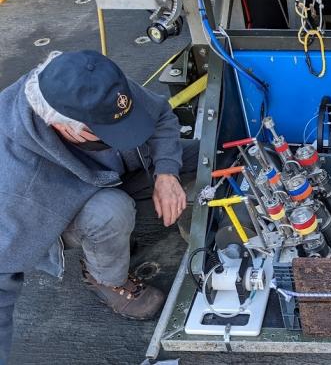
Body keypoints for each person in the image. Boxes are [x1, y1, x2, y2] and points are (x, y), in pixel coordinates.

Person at [0, 51, 198, 364]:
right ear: (65, 128)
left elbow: (160, 116)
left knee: (205, 158)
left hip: (116, 171)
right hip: (62, 207)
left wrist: (167, 173)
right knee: (110, 213)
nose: (124, 136)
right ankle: (106, 279)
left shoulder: (94, 85)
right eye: (108, 133)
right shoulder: (15, 181)